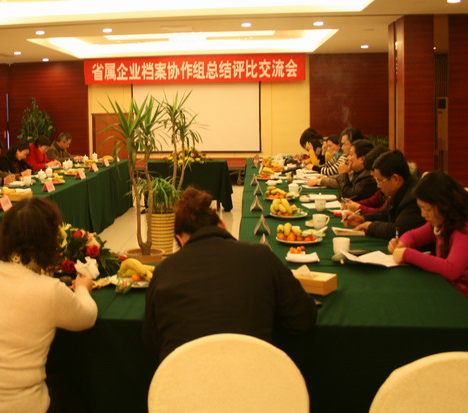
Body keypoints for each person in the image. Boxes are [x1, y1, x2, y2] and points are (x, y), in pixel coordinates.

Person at [0, 197, 96, 413]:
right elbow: (87, 317)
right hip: (17, 407)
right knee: (73, 387)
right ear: (50, 240)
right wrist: (83, 288)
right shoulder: (49, 290)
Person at [143, 187, 316, 362]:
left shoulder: (164, 270)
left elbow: (152, 340)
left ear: (180, 239)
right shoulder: (260, 255)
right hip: (254, 373)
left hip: (183, 375)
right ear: (223, 225)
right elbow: (303, 318)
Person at [388, 171, 468, 317]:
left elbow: (451, 269)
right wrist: (402, 243)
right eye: (421, 208)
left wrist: (407, 254)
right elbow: (413, 236)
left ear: (443, 205)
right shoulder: (443, 221)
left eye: (427, 209)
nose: (423, 214)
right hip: (459, 295)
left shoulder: (466, 230)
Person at [343, 150, 425, 239]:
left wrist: (371, 227)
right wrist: (363, 218)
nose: (378, 186)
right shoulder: (401, 189)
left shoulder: (413, 198)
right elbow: (385, 213)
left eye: (379, 180)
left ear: (395, 179)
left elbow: (398, 231)